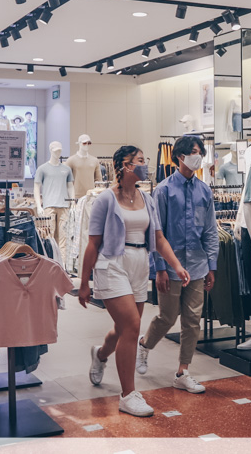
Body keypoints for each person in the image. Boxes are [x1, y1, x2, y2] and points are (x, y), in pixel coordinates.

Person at [78, 145, 191, 418]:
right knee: (132, 326)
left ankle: (101, 354)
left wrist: (176, 265)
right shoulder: (105, 199)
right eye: (140, 160)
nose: (145, 165)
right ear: (126, 166)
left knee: (123, 329)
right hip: (112, 264)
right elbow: (93, 244)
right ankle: (128, 395)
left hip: (140, 264)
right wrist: (83, 282)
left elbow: (159, 238)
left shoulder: (147, 198)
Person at [137, 135, 217, 394]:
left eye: (200, 152)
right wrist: (159, 268)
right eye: (194, 152)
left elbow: (210, 230)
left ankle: (183, 371)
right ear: (180, 156)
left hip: (197, 264)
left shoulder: (204, 191)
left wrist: (212, 265)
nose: (198, 156)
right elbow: (156, 233)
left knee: (192, 320)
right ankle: (144, 345)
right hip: (170, 266)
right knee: (167, 317)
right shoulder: (163, 191)